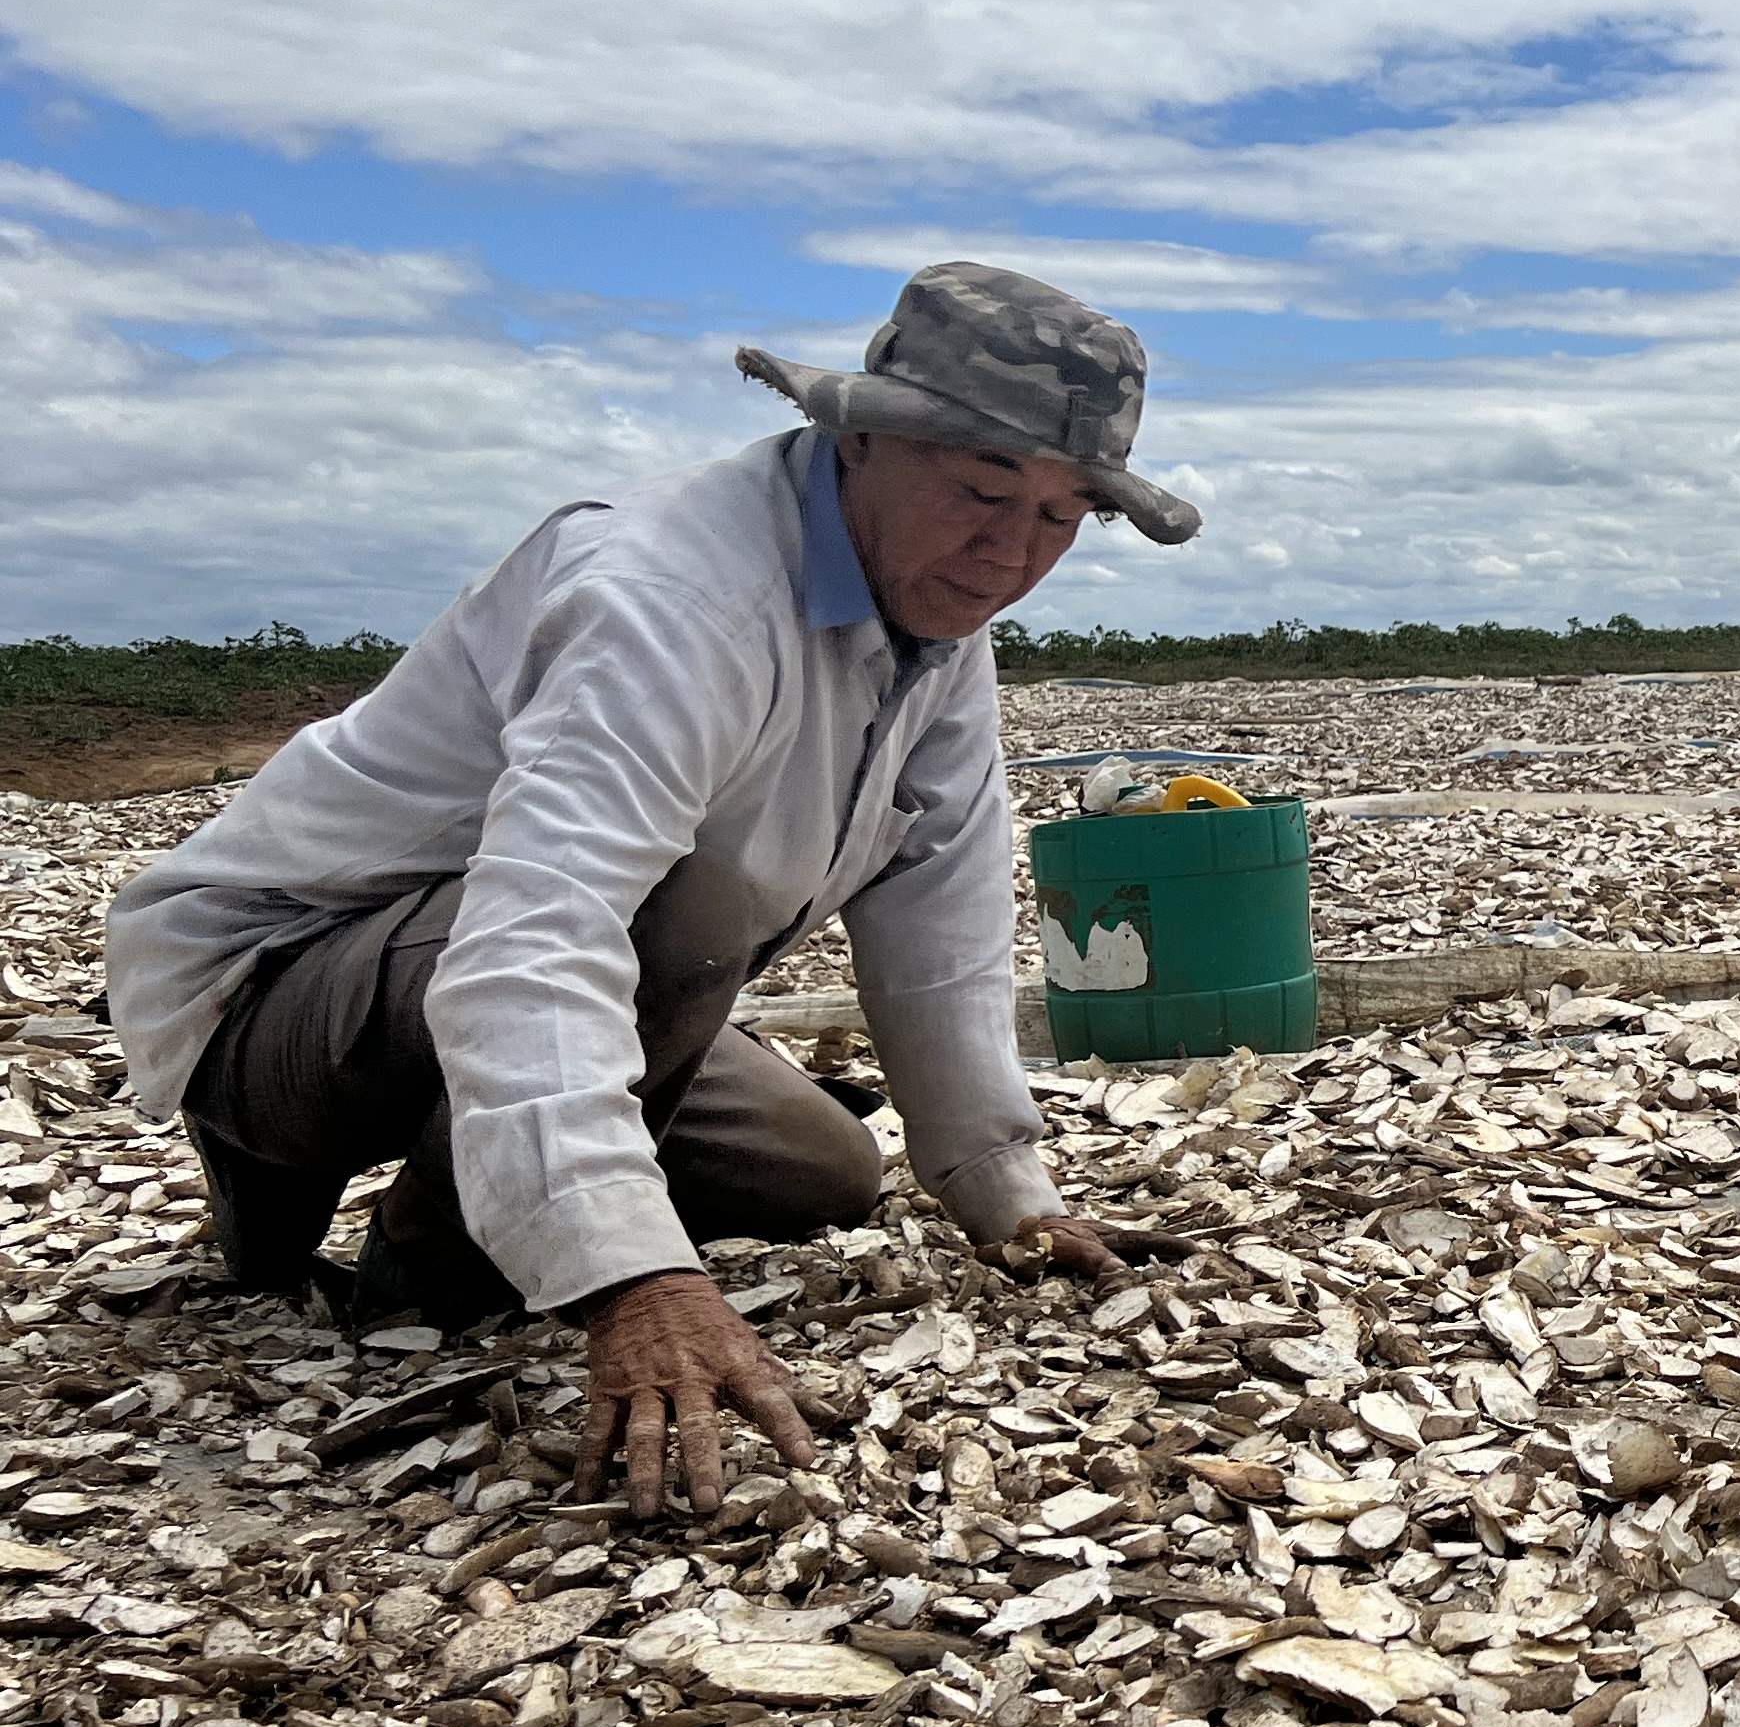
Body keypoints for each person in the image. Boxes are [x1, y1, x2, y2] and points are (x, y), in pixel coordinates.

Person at [107, 263, 1194, 1515]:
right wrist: (635, 1284)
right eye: (981, 491)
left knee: (822, 1174)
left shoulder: (934, 628)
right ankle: (398, 1239)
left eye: (1062, 518)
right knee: (687, 916)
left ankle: (435, 1200)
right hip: (277, 986)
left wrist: (1005, 1195)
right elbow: (542, 932)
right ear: (860, 442)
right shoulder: (671, 596)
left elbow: (938, 899)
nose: (1011, 553)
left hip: (492, 977)